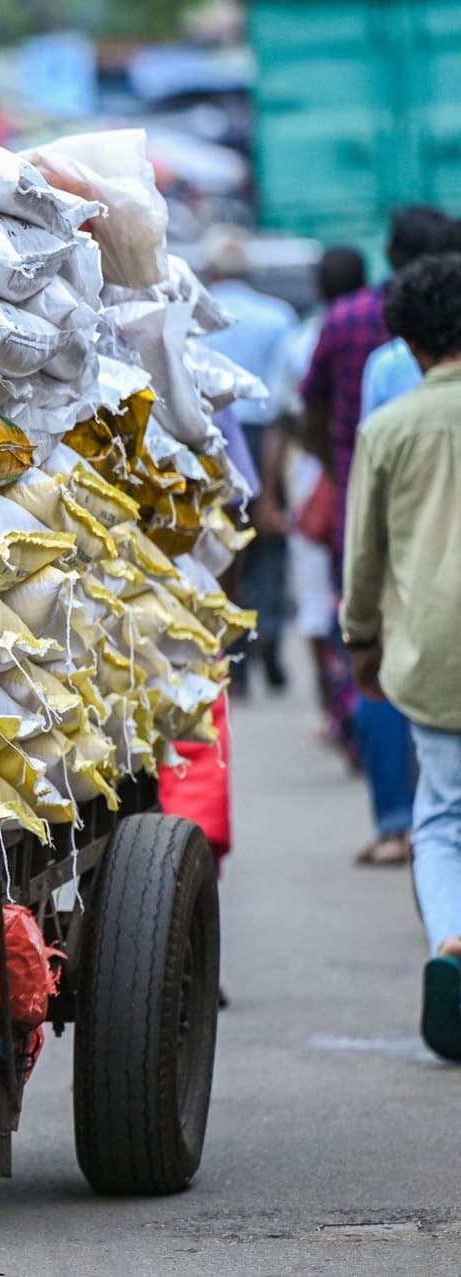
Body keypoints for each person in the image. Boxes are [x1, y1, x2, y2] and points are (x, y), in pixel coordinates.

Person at [300, 207, 454, 866]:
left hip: (403, 546)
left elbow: (365, 471)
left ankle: (396, 823)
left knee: (390, 678)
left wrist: (359, 631)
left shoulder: (373, 351)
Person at [340, 252, 461, 1061]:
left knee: (444, 817)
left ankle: (452, 942)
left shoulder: (388, 428)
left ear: (410, 345)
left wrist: (359, 638)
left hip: (434, 652)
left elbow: (365, 554)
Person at [262, 247, 368, 744]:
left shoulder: (304, 338)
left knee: (316, 595)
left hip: (316, 472)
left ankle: (335, 706)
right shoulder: (389, 326)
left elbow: (287, 419)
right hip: (358, 471)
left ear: (320, 289)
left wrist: (273, 495)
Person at [199, 226, 297, 694]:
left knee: (225, 551)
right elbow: (284, 397)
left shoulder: (199, 315)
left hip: (212, 438)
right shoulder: (277, 317)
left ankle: (235, 659)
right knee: (270, 545)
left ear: (213, 269)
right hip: (267, 435)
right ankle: (272, 640)